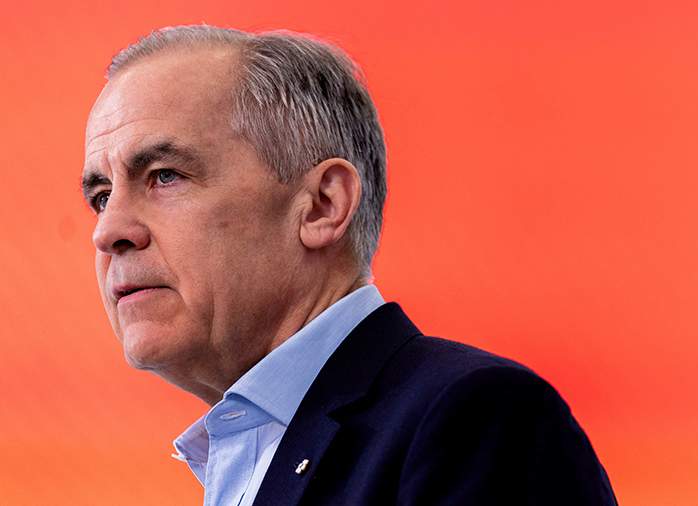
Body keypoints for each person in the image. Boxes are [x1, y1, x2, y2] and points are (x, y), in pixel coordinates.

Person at [81, 24, 617, 505]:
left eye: (165, 176)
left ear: (322, 206)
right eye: (101, 197)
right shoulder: (250, 457)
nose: (108, 233)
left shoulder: (474, 421)